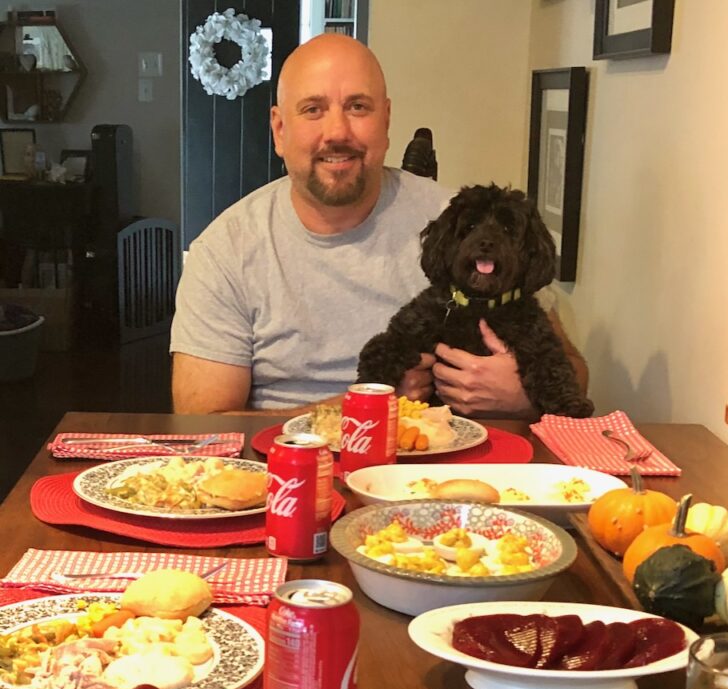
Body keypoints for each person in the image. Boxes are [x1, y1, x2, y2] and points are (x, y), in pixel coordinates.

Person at [171, 33, 588, 417]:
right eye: (313, 110)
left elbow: (574, 373)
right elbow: (204, 426)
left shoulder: (461, 223)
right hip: (287, 467)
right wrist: (365, 405)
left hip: (447, 468)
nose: (337, 132)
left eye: (358, 107)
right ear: (280, 130)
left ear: (386, 119)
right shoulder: (226, 249)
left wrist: (521, 394)